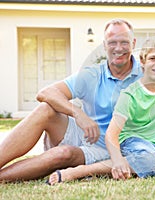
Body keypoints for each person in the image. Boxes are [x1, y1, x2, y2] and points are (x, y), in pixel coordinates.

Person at [0, 18, 143, 182]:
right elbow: (46, 93)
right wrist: (78, 113)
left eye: (124, 42)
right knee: (45, 109)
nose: (118, 48)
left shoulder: (146, 75)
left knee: (63, 154)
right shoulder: (91, 75)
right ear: (104, 45)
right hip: (86, 133)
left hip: (107, 148)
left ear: (133, 43)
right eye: (112, 42)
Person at [46, 36, 155, 185]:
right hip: (134, 143)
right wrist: (119, 160)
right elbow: (111, 135)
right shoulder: (129, 94)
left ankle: (141, 168)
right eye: (153, 58)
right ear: (142, 62)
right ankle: (82, 171)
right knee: (149, 158)